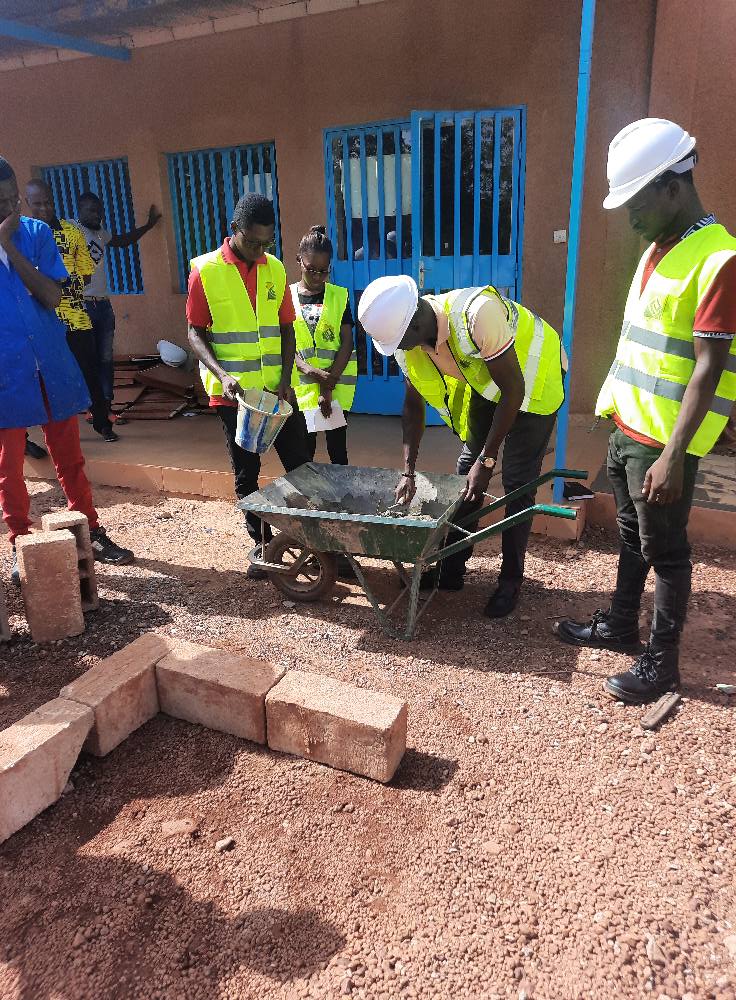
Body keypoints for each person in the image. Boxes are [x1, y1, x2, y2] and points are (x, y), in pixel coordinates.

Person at [556, 118, 736, 704]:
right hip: (627, 428)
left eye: (636, 206)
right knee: (633, 538)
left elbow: (708, 368)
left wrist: (674, 455)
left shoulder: (718, 259)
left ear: (672, 188)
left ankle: (662, 664)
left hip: (662, 442)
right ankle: (620, 624)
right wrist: (613, 410)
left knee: (667, 551)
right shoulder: (659, 247)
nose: (630, 219)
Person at [358, 275, 565, 617]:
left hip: (535, 378)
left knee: (517, 483)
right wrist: (408, 471)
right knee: (465, 476)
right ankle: (450, 570)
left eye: (400, 341)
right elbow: (412, 408)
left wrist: (488, 460)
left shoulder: (478, 313)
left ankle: (510, 581)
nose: (400, 349)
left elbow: (514, 390)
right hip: (489, 382)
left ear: (416, 322)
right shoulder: (409, 346)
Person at [0, 157, 133, 582]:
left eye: (13, 199)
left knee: (70, 457)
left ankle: (89, 528)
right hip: (6, 372)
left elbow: (52, 296)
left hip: (50, 362)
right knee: (9, 466)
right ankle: (21, 543)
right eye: (0, 202)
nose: (10, 209)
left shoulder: (36, 234)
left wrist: (9, 247)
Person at [186, 192, 310, 579]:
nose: (259, 251)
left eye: (266, 243)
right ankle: (263, 546)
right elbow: (194, 332)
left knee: (303, 468)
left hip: (277, 394)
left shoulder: (275, 269)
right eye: (253, 242)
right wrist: (222, 375)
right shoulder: (205, 271)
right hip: (235, 399)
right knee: (247, 476)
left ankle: (315, 543)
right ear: (234, 230)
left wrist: (286, 380)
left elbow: (287, 329)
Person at [25, 179, 118, 442]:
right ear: (27, 203)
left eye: (48, 202)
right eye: (37, 204)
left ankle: (102, 423)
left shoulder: (72, 232)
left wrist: (60, 284)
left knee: (89, 371)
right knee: (37, 378)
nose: (44, 208)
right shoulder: (22, 236)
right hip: (39, 322)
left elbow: (86, 274)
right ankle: (27, 438)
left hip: (75, 316)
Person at [76, 191, 162, 414]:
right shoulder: (73, 231)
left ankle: (106, 407)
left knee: (106, 359)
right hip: (82, 306)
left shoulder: (100, 233)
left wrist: (148, 226)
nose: (97, 215)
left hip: (103, 305)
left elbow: (123, 241)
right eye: (91, 211)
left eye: (99, 211)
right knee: (88, 359)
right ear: (80, 211)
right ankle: (92, 408)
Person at [291, 225, 357, 465]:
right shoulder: (287, 297)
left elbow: (347, 342)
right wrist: (309, 370)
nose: (318, 277)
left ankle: (341, 489)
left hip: (336, 384)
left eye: (324, 271)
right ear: (299, 260)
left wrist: (327, 386)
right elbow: (284, 342)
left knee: (337, 450)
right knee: (303, 451)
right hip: (302, 387)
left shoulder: (340, 296)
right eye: (311, 270)